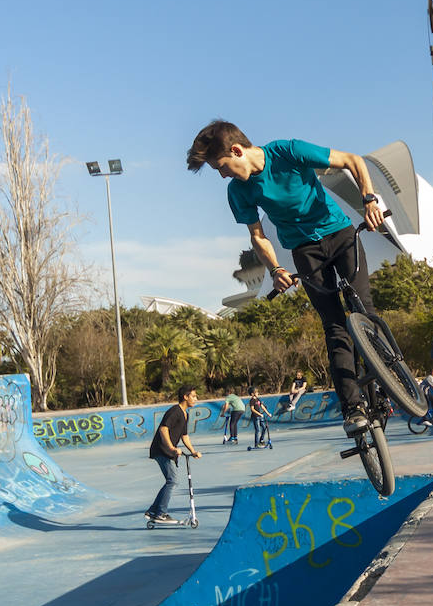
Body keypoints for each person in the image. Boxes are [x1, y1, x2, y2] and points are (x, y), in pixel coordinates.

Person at [187, 121, 385, 437]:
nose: (222, 176)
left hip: (340, 233)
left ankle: (386, 380)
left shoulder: (288, 151)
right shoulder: (238, 191)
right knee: (334, 328)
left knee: (363, 311)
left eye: (222, 167)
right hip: (305, 252)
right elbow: (258, 235)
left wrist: (369, 198)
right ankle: (354, 409)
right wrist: (276, 269)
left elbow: (352, 160)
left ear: (237, 151)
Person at [145, 386, 202, 524]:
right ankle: (160, 513)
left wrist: (193, 451)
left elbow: (184, 436)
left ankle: (153, 511)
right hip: (162, 450)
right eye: (193, 396)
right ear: (185, 397)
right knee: (173, 480)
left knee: (171, 480)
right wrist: (171, 447)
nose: (196, 399)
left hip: (167, 451)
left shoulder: (185, 414)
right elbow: (163, 429)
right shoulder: (175, 411)